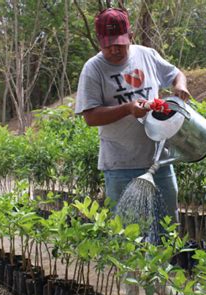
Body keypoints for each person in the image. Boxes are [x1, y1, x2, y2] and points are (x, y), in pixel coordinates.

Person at [75, 8, 190, 226]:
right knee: (128, 235)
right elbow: (90, 117)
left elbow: (176, 74)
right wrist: (127, 109)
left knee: (168, 228)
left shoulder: (147, 55)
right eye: (108, 45)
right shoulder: (93, 69)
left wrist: (180, 86)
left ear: (131, 35)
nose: (114, 49)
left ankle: (166, 262)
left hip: (159, 161)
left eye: (119, 43)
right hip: (120, 165)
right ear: (99, 41)